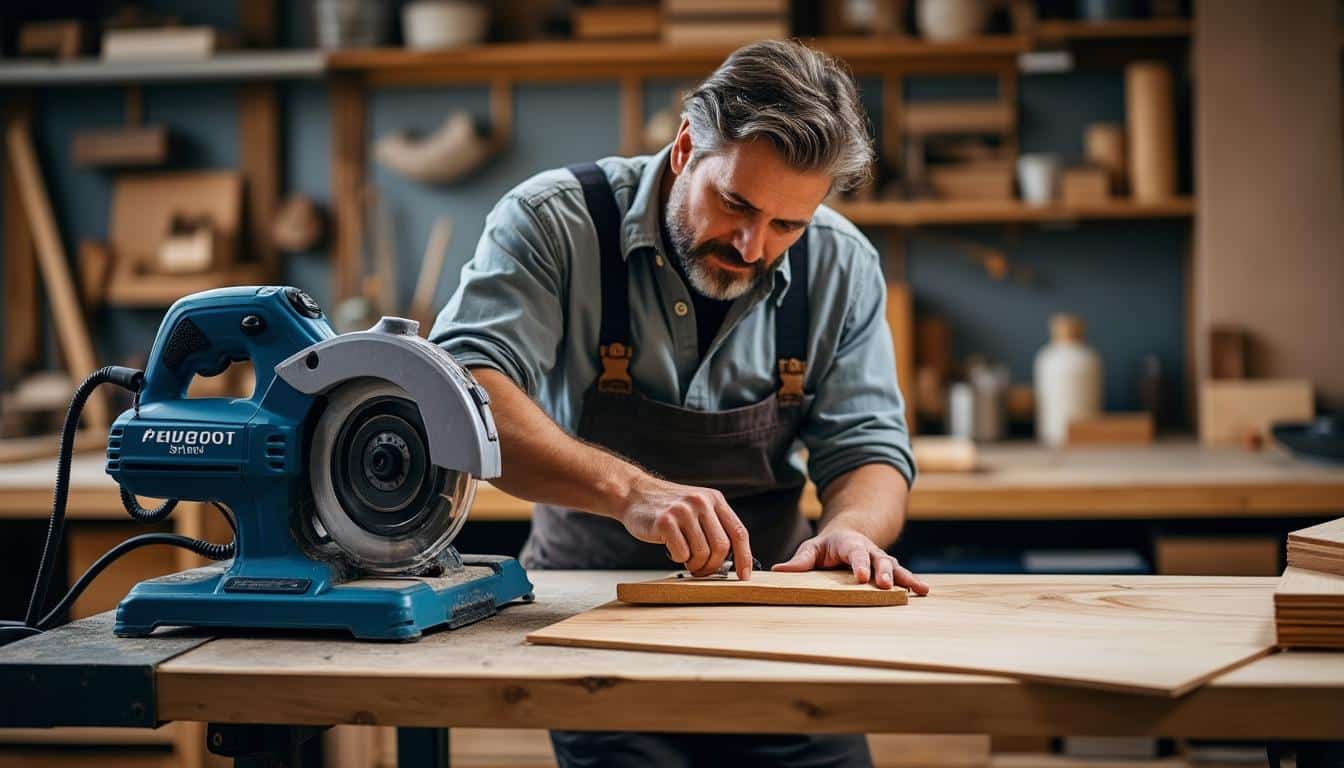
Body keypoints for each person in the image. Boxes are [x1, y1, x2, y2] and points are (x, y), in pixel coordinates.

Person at [432, 38, 928, 768]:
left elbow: (871, 452)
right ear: (685, 148)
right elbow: (465, 390)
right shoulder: (552, 223)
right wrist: (629, 492)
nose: (754, 245)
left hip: (776, 626)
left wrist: (855, 529)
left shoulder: (843, 264)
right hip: (592, 614)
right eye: (735, 204)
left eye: (788, 225)